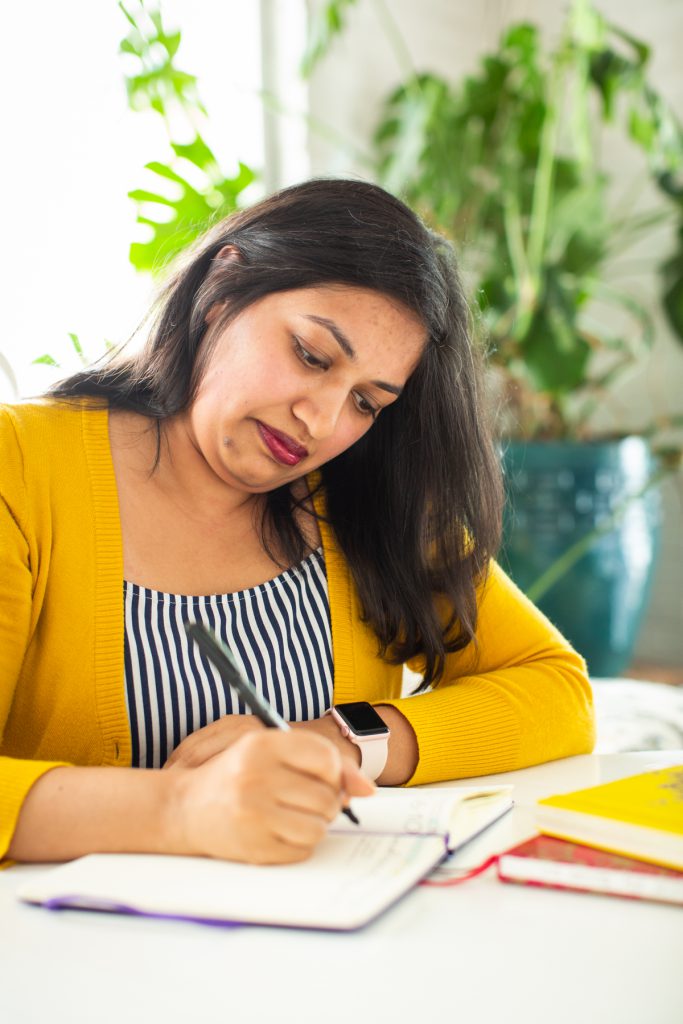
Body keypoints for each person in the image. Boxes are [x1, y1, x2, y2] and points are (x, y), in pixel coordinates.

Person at [0, 179, 594, 867]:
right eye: (311, 355)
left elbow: (557, 689)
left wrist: (339, 739)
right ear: (222, 289)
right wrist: (184, 809)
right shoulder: (20, 468)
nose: (321, 422)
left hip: (326, 941)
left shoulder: (364, 493)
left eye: (367, 403)